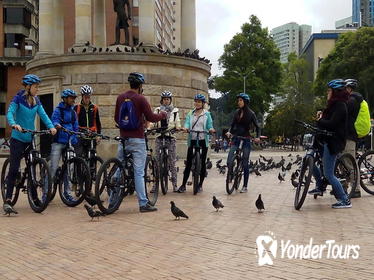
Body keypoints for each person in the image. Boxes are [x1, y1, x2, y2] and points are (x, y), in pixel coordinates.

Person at [114, 72, 167, 212]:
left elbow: (116, 119)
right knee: (139, 172)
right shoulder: (141, 99)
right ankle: (143, 203)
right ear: (140, 85)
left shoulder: (120, 98)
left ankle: (112, 192)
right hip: (137, 139)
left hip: (123, 139)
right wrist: (162, 115)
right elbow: (151, 117)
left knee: (119, 167)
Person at [5, 74, 57, 211]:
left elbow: (44, 115)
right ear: (28, 87)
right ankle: (8, 199)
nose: (37, 89)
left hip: (30, 138)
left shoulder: (36, 101)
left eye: (38, 87)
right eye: (36, 86)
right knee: (14, 167)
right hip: (18, 138)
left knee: (32, 167)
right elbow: (10, 113)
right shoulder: (18, 99)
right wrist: (14, 124)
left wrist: (51, 126)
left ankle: (34, 198)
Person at [308, 79, 351, 209]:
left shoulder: (340, 106)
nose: (327, 93)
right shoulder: (332, 105)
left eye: (329, 90)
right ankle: (320, 186)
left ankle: (344, 200)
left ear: (335, 92)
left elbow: (332, 124)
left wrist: (320, 120)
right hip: (326, 139)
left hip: (334, 142)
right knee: (310, 160)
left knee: (329, 174)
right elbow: (327, 120)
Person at [177, 93, 215, 193]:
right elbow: (187, 123)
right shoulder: (190, 113)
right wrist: (185, 128)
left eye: (199, 102)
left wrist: (211, 129)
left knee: (202, 163)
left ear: (203, 103)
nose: (197, 103)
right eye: (196, 101)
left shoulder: (207, 114)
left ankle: (200, 185)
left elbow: (209, 125)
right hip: (193, 138)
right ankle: (183, 185)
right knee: (188, 163)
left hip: (203, 139)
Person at [225, 93, 260, 193]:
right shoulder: (236, 112)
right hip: (236, 138)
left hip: (246, 139)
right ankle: (230, 175)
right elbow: (232, 125)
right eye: (238, 100)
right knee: (229, 160)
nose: (239, 102)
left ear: (245, 102)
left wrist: (257, 137)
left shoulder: (251, 114)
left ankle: (245, 186)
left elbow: (258, 127)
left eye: (241, 100)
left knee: (245, 163)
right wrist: (229, 131)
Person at [49, 89, 79, 201]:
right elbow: (54, 121)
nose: (73, 100)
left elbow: (75, 127)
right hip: (58, 142)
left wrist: (73, 138)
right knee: (53, 168)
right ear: (65, 99)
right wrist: (56, 125)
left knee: (68, 169)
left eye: (74, 98)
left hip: (68, 142)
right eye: (71, 98)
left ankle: (67, 193)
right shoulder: (58, 110)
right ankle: (45, 194)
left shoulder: (73, 112)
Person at [152, 90, 181, 192]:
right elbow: (153, 121)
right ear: (162, 100)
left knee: (172, 162)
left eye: (168, 99)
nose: (166, 101)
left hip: (170, 136)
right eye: (164, 99)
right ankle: (155, 185)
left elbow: (177, 122)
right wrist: (151, 128)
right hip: (160, 136)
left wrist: (178, 127)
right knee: (156, 161)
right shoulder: (158, 110)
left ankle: (175, 185)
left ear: (170, 100)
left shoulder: (175, 111)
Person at [344, 78, 362, 198]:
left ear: (349, 88)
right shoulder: (350, 99)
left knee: (350, 163)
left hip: (350, 135)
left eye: (344, 88)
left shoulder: (352, 100)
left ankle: (356, 189)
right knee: (344, 162)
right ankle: (343, 187)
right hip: (347, 135)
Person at [74, 85, 102, 158]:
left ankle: (92, 169)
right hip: (80, 135)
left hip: (91, 135)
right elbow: (74, 122)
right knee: (79, 157)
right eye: (85, 97)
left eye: (88, 97)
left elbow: (98, 123)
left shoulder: (94, 108)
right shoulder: (77, 108)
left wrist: (98, 135)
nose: (87, 99)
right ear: (82, 96)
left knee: (92, 157)